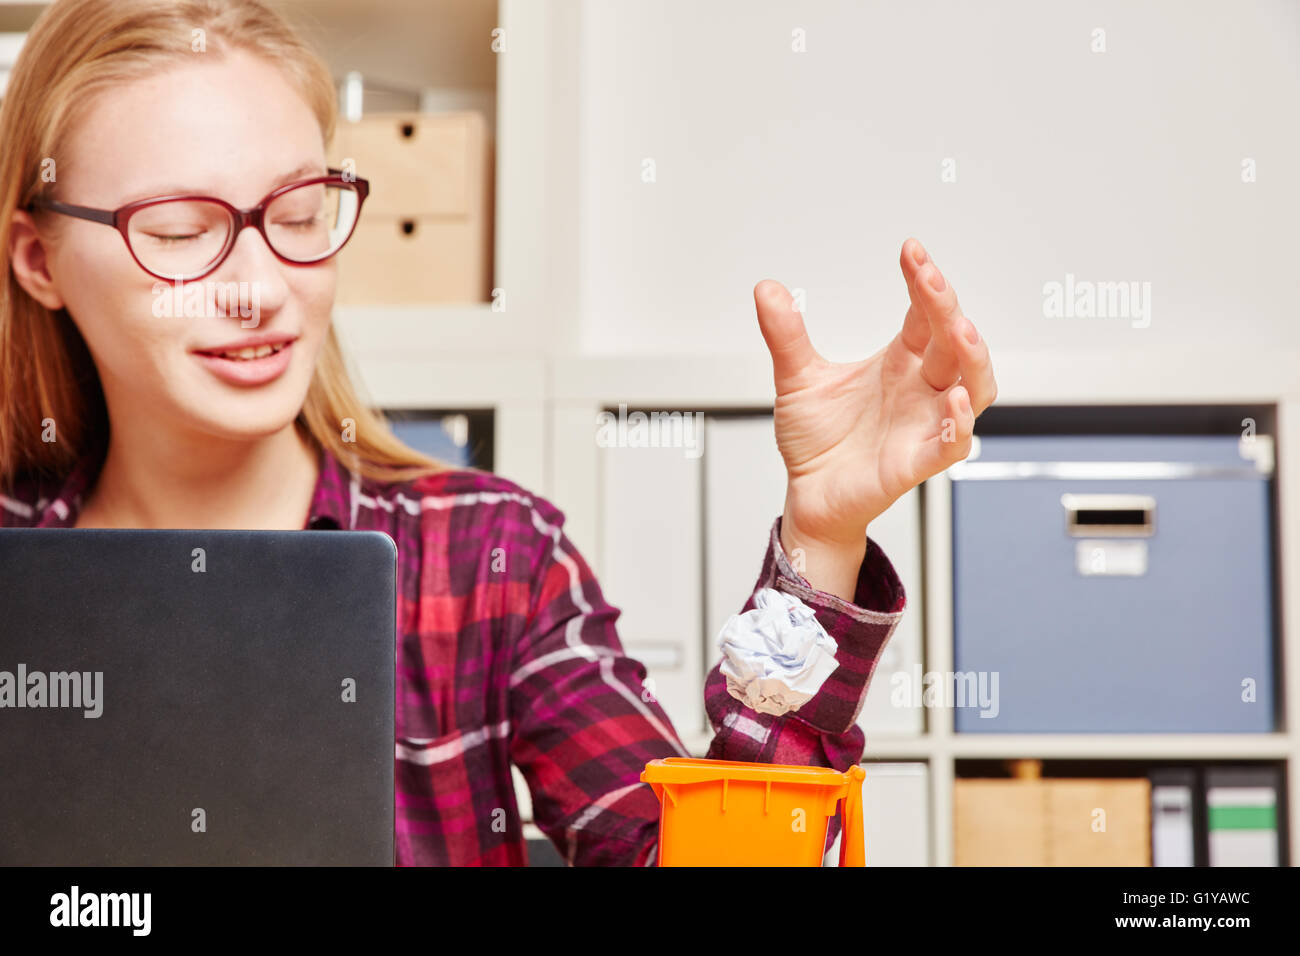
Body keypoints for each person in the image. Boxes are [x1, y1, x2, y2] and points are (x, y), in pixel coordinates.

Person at [0, 0, 996, 865]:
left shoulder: (492, 557)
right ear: (38, 258)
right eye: (180, 231)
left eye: (300, 213)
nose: (262, 289)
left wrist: (819, 543)